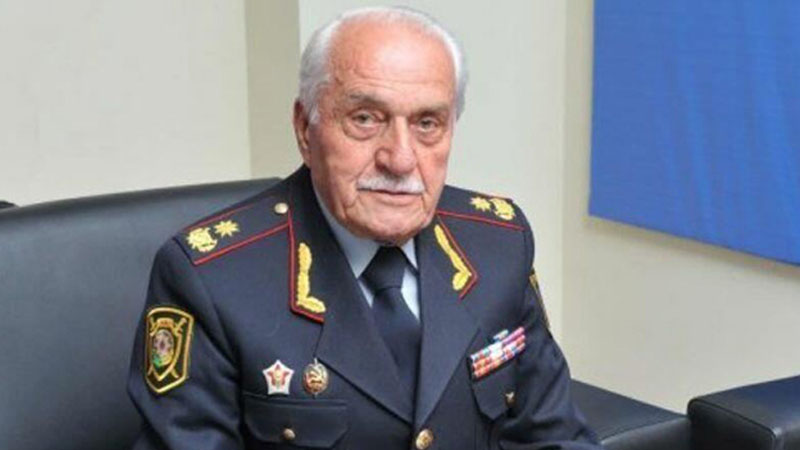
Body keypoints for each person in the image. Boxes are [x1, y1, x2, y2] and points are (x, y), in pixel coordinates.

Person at [127, 6, 601, 450]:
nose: (400, 159)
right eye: (365, 119)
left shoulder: (499, 243)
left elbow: (553, 435)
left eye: (427, 123)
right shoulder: (212, 280)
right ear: (305, 129)